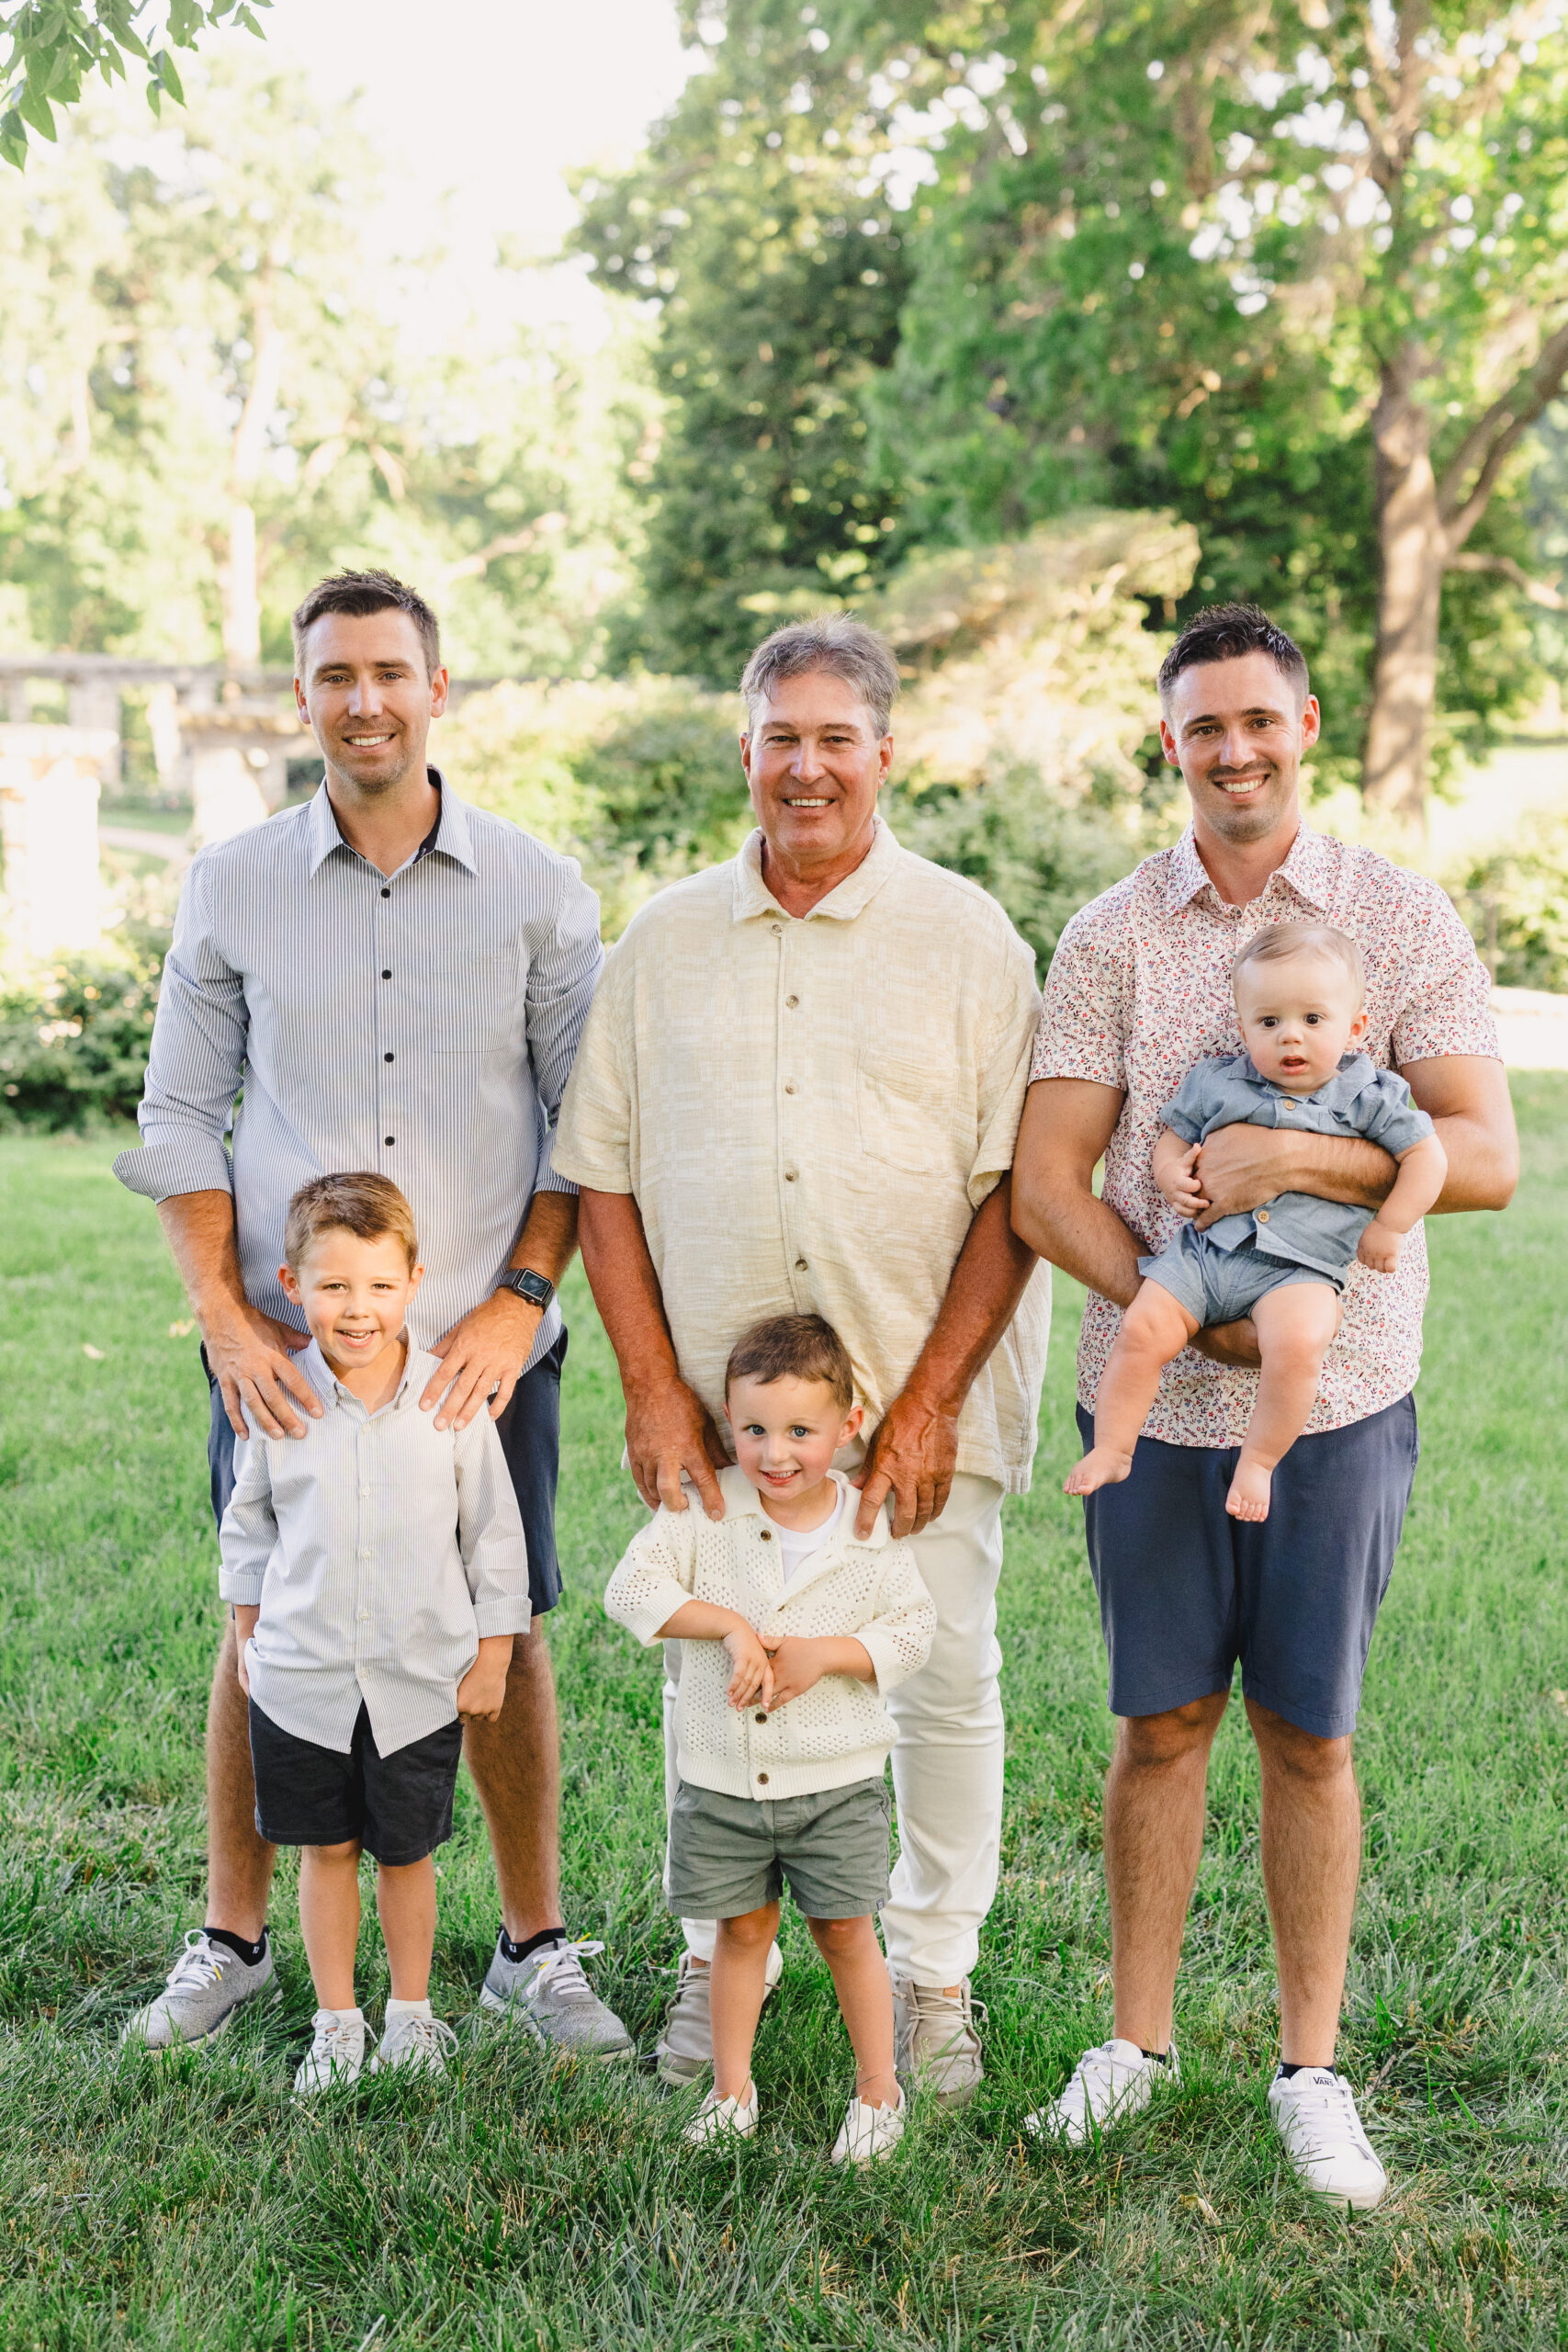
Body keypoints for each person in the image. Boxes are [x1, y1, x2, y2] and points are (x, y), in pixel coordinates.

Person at [1012, 602, 1517, 2209]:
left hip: (1339, 1399)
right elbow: (1043, 1188)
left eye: (1259, 719)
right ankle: (1135, 2045)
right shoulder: (1109, 935)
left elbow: (1485, 1158)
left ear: (1307, 727)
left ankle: (1311, 2072)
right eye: (1200, 727)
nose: (1233, 749)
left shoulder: (1399, 919)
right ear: (1169, 747)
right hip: (1157, 1403)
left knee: (1309, 1736)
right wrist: (1191, 1321)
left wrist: (1298, 1161)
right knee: (1156, 1728)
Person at [115, 570, 631, 2059]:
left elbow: (584, 1126)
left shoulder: (537, 887)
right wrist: (222, 1314)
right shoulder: (232, 882)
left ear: (438, 688)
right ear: (302, 699)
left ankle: (531, 1945)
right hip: (286, 1353)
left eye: (388, 672)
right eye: (333, 675)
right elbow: (178, 1113)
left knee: (504, 1623)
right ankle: (233, 1936)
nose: (362, 700)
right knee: (261, 1622)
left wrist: (522, 1299)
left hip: (481, 1343)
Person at [553, 616, 1049, 2106]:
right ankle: (719, 1965)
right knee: (713, 1684)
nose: (808, 765)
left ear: (885, 754)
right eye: (783, 737)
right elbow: (604, 1179)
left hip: (918, 1409)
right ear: (746, 752)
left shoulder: (968, 940)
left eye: (838, 737)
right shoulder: (662, 942)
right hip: (724, 1429)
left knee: (941, 1678)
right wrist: (649, 1385)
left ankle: (933, 1974)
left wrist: (930, 1407)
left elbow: (1012, 1199)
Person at [223, 1174, 530, 2096]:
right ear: (292, 1284)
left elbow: (495, 1534)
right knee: (324, 1850)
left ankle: (410, 2013)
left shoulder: (450, 1401)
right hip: (304, 1676)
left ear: (416, 1283)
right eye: (333, 1287)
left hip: (416, 1677)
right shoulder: (280, 1400)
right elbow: (250, 1528)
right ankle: (336, 2021)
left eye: (379, 1287)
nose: (357, 1309)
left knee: (406, 1851)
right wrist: (248, 1632)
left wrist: (496, 1651)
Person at [604, 1315, 935, 2163]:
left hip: (835, 1787)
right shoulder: (705, 1513)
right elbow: (628, 1589)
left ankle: (877, 2092)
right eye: (753, 1429)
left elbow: (912, 1630)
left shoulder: (867, 1528)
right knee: (740, 1934)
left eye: (799, 1431)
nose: (775, 1453)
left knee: (845, 1932)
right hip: (723, 1784)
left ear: (846, 1428)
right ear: (726, 1420)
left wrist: (828, 1654)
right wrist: (727, 1628)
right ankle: (730, 2089)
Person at [1068, 922, 1448, 1521]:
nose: (1288, 1037)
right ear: (1243, 1027)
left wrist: (1390, 1226)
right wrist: (1171, 1176)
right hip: (1205, 1256)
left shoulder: (1370, 1095)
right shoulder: (1218, 1082)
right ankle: (1114, 1448)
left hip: (1300, 1269)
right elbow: (1171, 1140)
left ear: (1354, 1029)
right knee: (1141, 1330)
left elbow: (1426, 1157)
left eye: (1312, 1021)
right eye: (1268, 1022)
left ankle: (1259, 1461)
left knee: (1297, 1342)